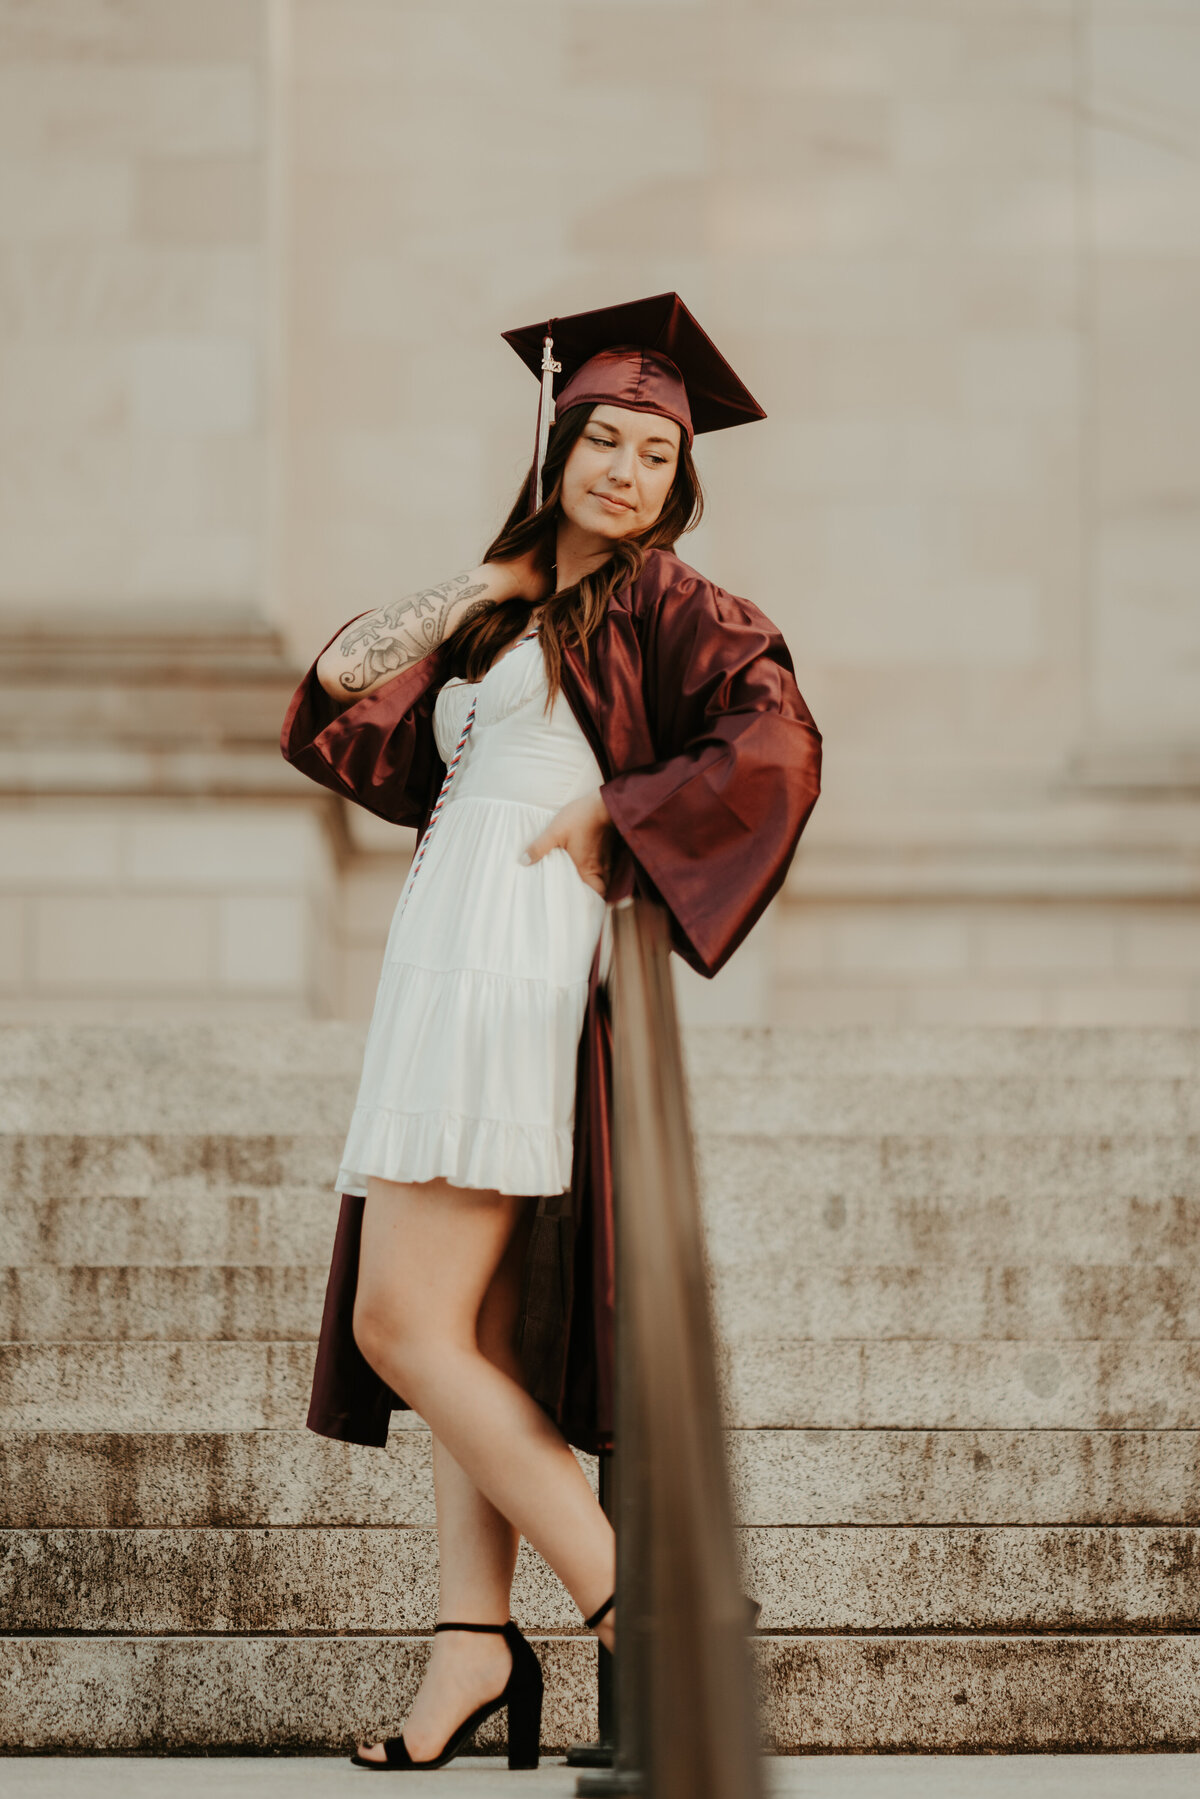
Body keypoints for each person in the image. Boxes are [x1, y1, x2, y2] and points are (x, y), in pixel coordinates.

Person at [280, 293, 823, 1772]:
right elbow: (341, 683)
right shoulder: (514, 600)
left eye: (657, 452)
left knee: (403, 1325)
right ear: (559, 442)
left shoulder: (676, 603)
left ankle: (636, 1606)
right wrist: (491, 573)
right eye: (604, 438)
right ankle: (469, 1641)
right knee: (464, 1328)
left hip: (514, 964)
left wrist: (622, 809)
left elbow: (776, 740)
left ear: (679, 481)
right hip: (441, 960)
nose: (629, 470)